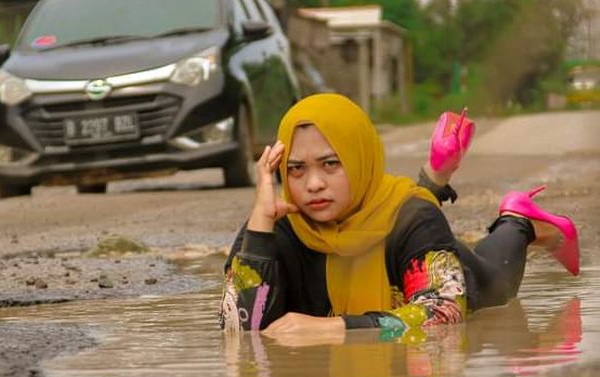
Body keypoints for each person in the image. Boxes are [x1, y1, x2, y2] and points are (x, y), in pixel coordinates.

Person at [218, 94, 580, 336]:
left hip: (460, 273)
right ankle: (435, 177)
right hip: (398, 221)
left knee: (498, 281)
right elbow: (237, 330)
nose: (312, 184)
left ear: (361, 160)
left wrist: (331, 330)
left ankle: (519, 220)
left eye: (331, 164)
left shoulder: (415, 219)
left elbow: (444, 314)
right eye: (296, 170)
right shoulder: (270, 226)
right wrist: (261, 226)